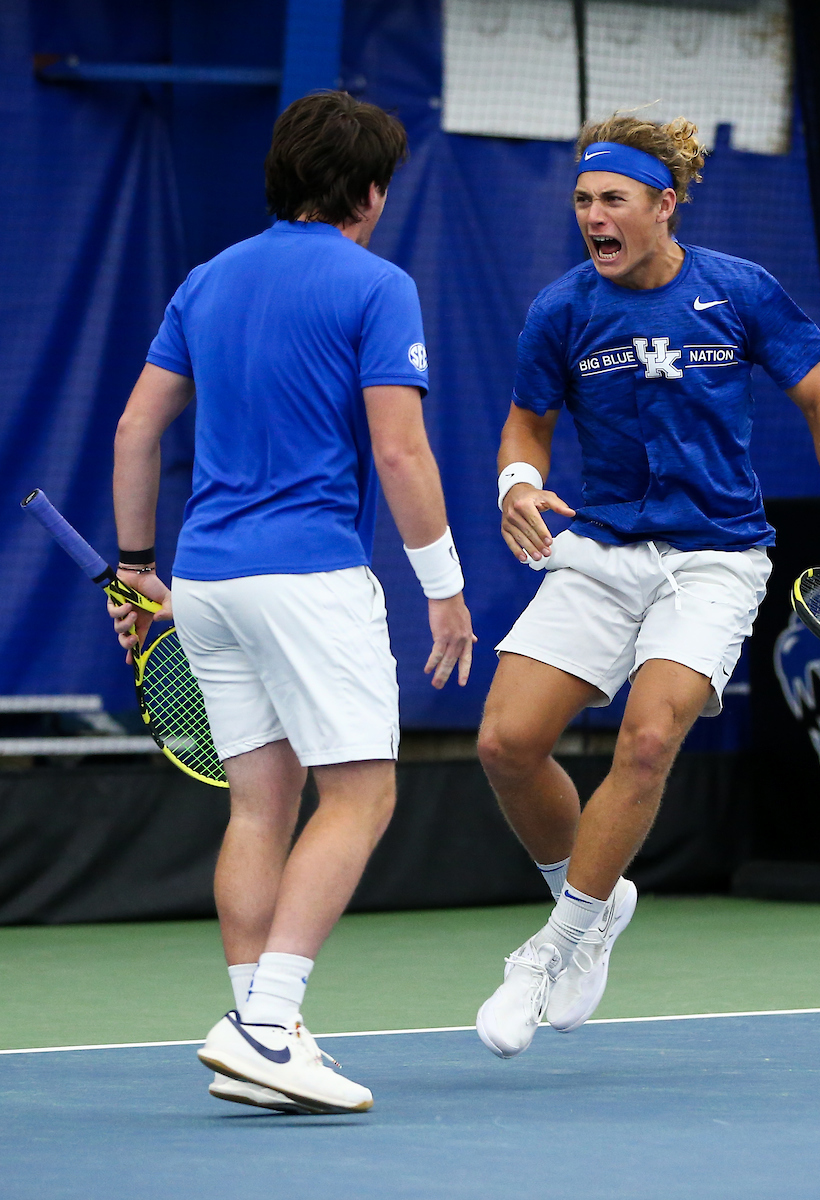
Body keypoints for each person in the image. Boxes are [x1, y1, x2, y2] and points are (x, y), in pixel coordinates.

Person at [474, 113, 820, 1058]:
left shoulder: (739, 292)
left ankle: (549, 954)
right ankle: (594, 900)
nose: (593, 217)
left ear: (664, 206)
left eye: (612, 199)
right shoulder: (562, 309)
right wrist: (518, 484)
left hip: (715, 557)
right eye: (582, 201)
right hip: (603, 549)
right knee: (506, 743)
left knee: (653, 733)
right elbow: (526, 425)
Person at [109, 91, 475, 1112]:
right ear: (370, 192)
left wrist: (139, 567)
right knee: (362, 795)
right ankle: (267, 1024)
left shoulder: (207, 281)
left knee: (262, 806)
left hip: (210, 581)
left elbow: (137, 432)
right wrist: (444, 591)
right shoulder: (378, 285)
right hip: (308, 577)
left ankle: (259, 1032)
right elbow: (400, 450)